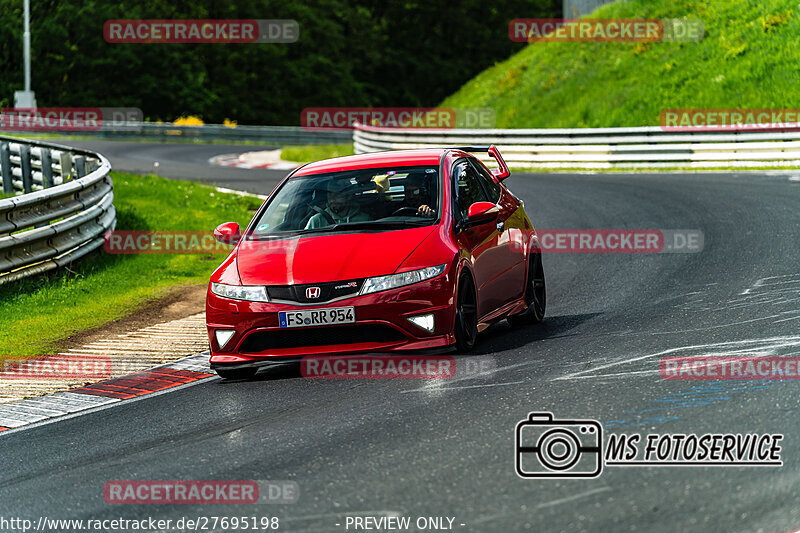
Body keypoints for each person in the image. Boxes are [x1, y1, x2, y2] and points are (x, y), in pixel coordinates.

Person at [305, 179, 370, 229]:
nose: (332, 199)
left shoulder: (365, 220)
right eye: (330, 194)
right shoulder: (317, 221)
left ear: (348, 196)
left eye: (337, 194)